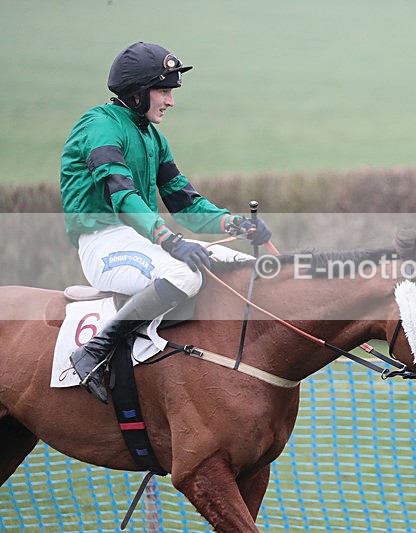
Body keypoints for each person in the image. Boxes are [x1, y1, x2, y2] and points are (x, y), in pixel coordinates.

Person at [60, 42, 272, 403]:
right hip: (102, 243)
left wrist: (235, 225)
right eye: (163, 91)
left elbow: (186, 203)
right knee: (184, 275)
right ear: (137, 94)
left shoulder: (152, 138)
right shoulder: (99, 127)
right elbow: (122, 196)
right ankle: (93, 352)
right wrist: (169, 240)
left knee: (245, 266)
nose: (170, 101)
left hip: (139, 240)